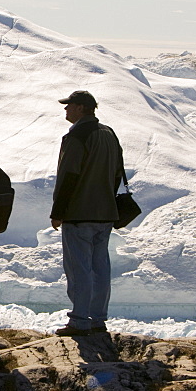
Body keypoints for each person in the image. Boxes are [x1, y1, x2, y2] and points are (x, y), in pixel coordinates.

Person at [50, 90, 125, 337]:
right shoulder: (108, 133)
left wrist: (58, 211)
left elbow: (68, 176)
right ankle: (98, 319)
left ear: (81, 108)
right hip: (106, 212)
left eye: (69, 105)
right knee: (100, 268)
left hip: (79, 213)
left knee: (79, 268)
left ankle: (80, 320)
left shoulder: (77, 136)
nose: (66, 110)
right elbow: (117, 173)